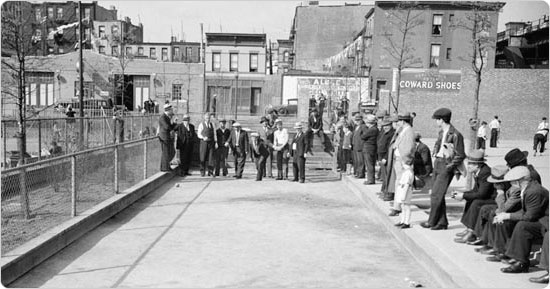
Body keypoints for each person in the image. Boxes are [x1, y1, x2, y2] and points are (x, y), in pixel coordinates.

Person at [496, 166, 548, 273]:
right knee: (521, 225)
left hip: (545, 222)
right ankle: (519, 260)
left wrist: (508, 216)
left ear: (520, 181)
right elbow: (527, 212)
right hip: (541, 219)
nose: (511, 185)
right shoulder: (528, 189)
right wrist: (507, 215)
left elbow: (530, 216)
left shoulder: (533, 191)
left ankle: (521, 262)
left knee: (523, 226)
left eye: (512, 182)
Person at [421, 108, 465, 230]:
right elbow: (439, 144)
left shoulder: (456, 134)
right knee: (437, 194)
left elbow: (460, 155)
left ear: (442, 120)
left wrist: (449, 166)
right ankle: (442, 222)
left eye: (437, 120)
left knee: (436, 194)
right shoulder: (442, 133)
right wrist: (435, 152)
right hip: (438, 162)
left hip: (446, 165)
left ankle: (432, 221)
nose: (436, 122)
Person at [452, 150, 496, 244]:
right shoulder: (477, 172)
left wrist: (463, 195)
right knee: (470, 199)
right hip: (487, 196)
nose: (468, 166)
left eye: (470, 164)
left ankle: (471, 233)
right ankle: (468, 228)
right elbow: (475, 190)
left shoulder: (485, 172)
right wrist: (462, 194)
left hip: (494, 199)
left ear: (477, 165)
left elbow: (482, 194)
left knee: (476, 202)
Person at [389, 112, 416, 216]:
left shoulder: (409, 132)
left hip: (403, 161)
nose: (397, 123)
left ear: (403, 121)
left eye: (399, 121)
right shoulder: (403, 130)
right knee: (398, 183)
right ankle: (397, 204)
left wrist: (405, 160)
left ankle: (398, 206)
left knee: (401, 184)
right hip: (399, 160)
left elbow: (409, 148)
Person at [377, 117, 395, 195]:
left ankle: (387, 192)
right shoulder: (383, 133)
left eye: (387, 125)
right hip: (381, 156)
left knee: (387, 175)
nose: (385, 127)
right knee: (384, 175)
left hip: (386, 156)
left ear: (391, 125)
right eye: (384, 126)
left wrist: (385, 157)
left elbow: (390, 148)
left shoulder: (391, 134)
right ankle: (384, 190)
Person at [394, 163, 414, 229]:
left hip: (406, 191)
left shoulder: (408, 173)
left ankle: (407, 222)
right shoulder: (405, 172)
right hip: (402, 189)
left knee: (406, 207)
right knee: (403, 207)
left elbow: (407, 185)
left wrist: (403, 195)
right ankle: (402, 220)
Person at [197, 112, 218, 177]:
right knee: (202, 157)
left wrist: (216, 142)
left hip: (211, 143)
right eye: (206, 118)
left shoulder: (212, 124)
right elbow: (199, 134)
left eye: (209, 118)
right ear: (204, 118)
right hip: (204, 143)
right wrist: (203, 137)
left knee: (211, 157)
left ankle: (210, 172)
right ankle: (202, 171)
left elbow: (214, 134)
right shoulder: (201, 124)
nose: (208, 119)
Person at [158, 103, 177, 172]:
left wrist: (174, 123)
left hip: (167, 137)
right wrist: (172, 128)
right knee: (165, 153)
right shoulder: (163, 117)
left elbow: (170, 126)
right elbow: (166, 126)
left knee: (170, 152)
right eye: (171, 110)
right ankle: (164, 168)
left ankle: (166, 166)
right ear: (168, 110)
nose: (172, 111)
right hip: (164, 137)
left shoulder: (167, 117)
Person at [362, 114, 379, 185]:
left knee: (369, 164)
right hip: (370, 148)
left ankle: (371, 179)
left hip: (369, 148)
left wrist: (365, 130)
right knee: (370, 164)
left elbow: (363, 136)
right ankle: (370, 179)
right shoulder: (375, 129)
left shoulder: (372, 129)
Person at [352, 114, 366, 179]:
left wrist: (361, 145)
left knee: (360, 161)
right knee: (357, 161)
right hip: (355, 146)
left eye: (358, 120)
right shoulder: (356, 127)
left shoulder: (363, 126)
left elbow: (364, 136)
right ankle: (357, 173)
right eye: (356, 120)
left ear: (361, 120)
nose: (357, 121)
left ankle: (361, 174)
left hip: (360, 146)